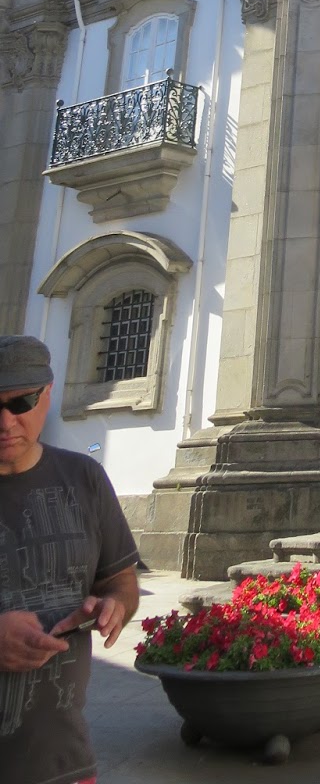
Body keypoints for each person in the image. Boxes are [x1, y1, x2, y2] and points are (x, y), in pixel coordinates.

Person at [0, 335, 140, 784]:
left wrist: (114, 606)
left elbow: (121, 581)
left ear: (48, 393)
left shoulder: (85, 479)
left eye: (21, 402)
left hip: (64, 763)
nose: (5, 422)